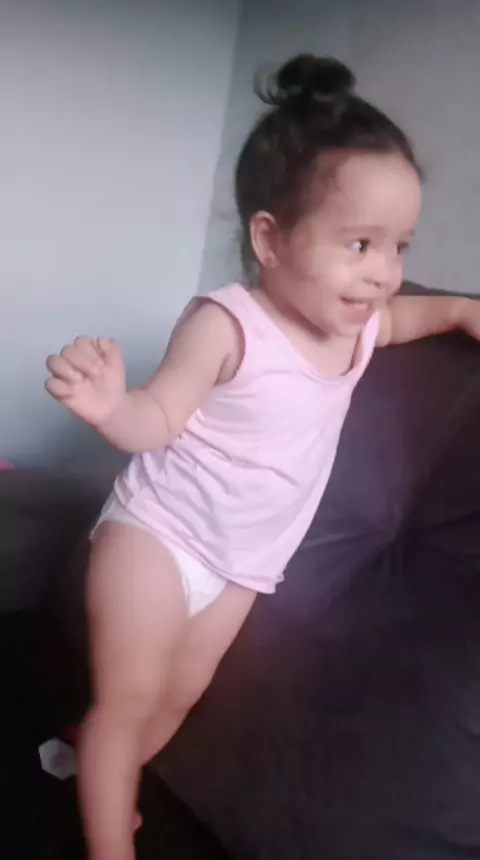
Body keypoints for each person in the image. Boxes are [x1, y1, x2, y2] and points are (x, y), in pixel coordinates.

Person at [45, 54, 480, 860]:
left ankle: (106, 769)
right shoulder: (227, 325)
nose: (383, 274)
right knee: (129, 697)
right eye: (359, 243)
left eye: (399, 246)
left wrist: (457, 310)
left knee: (180, 694)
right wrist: (111, 408)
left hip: (245, 563)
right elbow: (158, 417)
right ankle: (108, 830)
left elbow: (403, 320)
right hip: (159, 535)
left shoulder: (357, 329)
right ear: (270, 239)